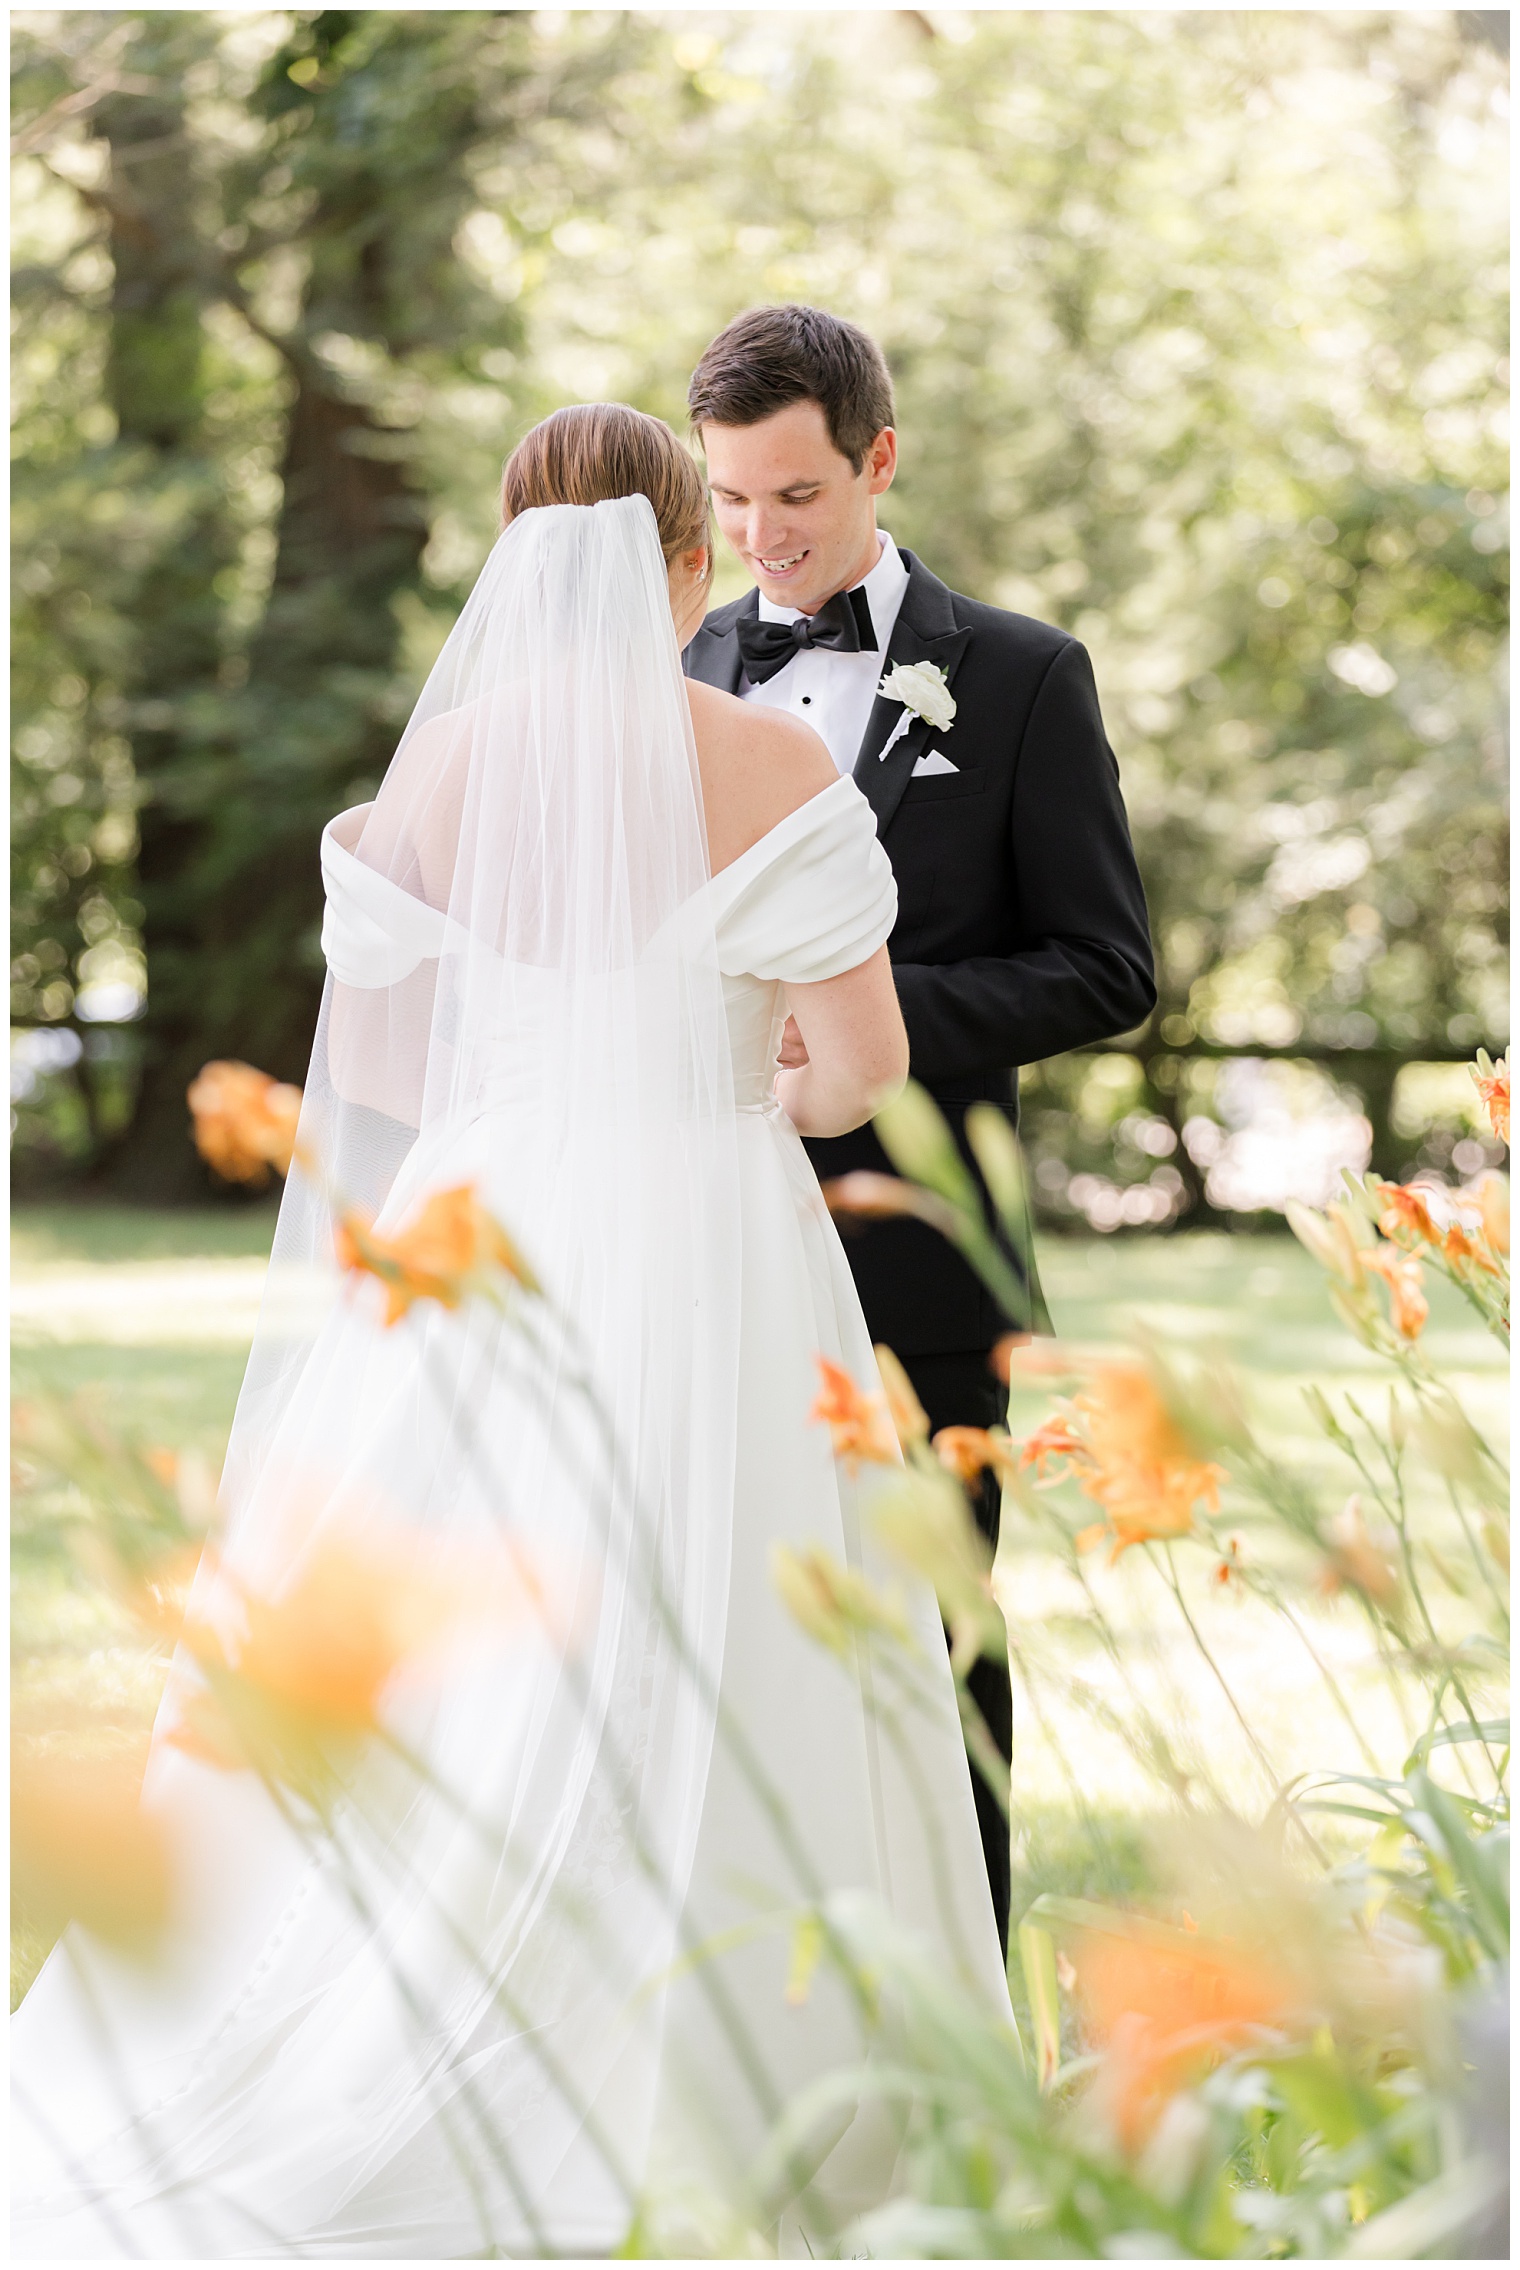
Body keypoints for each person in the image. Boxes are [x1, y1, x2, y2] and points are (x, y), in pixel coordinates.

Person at [11, 407, 1010, 2260]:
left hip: (480, 1242)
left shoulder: (435, 779)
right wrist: (756, 1086)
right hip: (714, 1228)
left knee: (449, 1640)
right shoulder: (774, 764)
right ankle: (746, 2101)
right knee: (725, 1611)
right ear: (681, 563)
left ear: (509, 560)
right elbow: (863, 1065)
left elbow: (383, 1074)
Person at [684, 307, 1157, 1950]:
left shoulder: (1022, 676)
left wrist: (870, 1027)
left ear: (880, 458)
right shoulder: (668, 679)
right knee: (722, 1667)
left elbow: (1109, 967)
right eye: (731, 500)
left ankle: (978, 2060)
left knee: (939, 1668)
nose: (761, 536)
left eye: (797, 494)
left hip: (924, 1281)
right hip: (702, 1257)